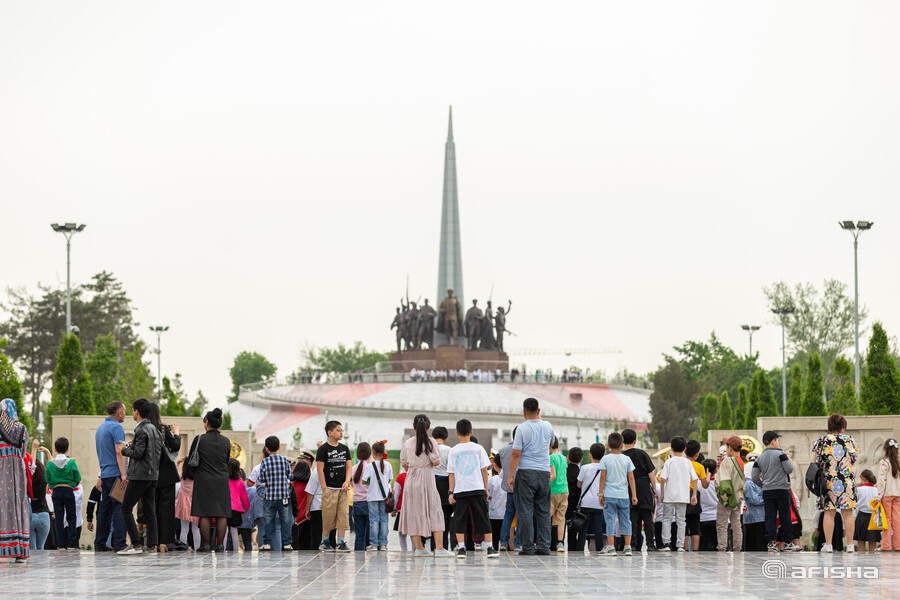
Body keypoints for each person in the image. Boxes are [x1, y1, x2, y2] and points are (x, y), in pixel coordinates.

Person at [398, 414, 454, 557]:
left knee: (414, 512)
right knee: (435, 511)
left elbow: (404, 463)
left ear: (413, 426)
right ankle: (440, 548)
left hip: (411, 479)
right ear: (429, 427)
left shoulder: (407, 443)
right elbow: (436, 461)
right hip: (427, 479)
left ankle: (419, 548)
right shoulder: (431, 442)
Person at [507, 397, 555, 555]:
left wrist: (510, 476)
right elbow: (552, 443)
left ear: (523, 412)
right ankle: (544, 546)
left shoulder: (522, 428)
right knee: (543, 511)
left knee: (525, 511)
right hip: (544, 473)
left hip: (526, 473)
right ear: (539, 411)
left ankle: (527, 547)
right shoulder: (548, 426)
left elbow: (515, 454)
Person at [447, 419, 498, 558]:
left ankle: (462, 548)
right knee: (483, 518)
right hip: (477, 488)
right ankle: (490, 548)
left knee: (459, 519)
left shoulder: (453, 450)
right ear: (471, 432)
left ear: (457, 433)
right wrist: (486, 489)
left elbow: (451, 474)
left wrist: (451, 492)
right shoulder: (478, 448)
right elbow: (484, 471)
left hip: (460, 490)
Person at [117, 398, 162, 554]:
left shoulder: (141, 430)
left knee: (125, 508)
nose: (132, 413)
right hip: (153, 475)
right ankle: (151, 545)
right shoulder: (154, 429)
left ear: (136, 411)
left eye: (132, 410)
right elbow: (152, 451)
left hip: (140, 475)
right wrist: (133, 445)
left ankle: (136, 545)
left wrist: (124, 450)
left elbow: (138, 453)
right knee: (150, 510)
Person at [811, 414, 858, 553]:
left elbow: (816, 461)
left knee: (829, 513)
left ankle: (829, 544)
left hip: (829, 482)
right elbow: (854, 459)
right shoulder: (849, 440)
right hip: (846, 481)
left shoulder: (822, 440)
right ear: (843, 427)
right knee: (848, 514)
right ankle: (850, 545)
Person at [189, 408, 231, 552]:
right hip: (222, 480)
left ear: (207, 422)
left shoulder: (199, 439)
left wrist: (199, 473)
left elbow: (192, 461)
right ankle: (220, 545)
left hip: (204, 479)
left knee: (204, 513)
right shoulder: (226, 441)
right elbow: (226, 461)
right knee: (222, 513)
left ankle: (206, 544)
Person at [751, 430, 798, 553]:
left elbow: (754, 476)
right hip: (782, 490)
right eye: (777, 440)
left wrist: (763, 485)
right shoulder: (781, 454)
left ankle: (771, 543)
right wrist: (789, 461)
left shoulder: (759, 458)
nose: (778, 442)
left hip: (768, 491)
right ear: (773, 441)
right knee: (785, 517)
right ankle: (787, 543)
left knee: (770, 517)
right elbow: (789, 469)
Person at [94, 400, 128, 552]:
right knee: (119, 508)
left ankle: (100, 543)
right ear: (119, 413)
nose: (125, 415)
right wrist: (124, 474)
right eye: (124, 412)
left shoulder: (101, 428)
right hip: (116, 474)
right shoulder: (116, 427)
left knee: (104, 509)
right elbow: (119, 452)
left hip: (105, 474)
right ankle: (120, 544)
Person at [596, 432, 637, 556]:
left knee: (610, 520)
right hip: (624, 496)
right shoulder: (627, 459)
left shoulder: (605, 459)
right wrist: (634, 495)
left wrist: (600, 493)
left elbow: (602, 477)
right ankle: (628, 547)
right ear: (622, 445)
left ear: (608, 445)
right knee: (626, 520)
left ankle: (611, 547)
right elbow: (631, 478)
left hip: (609, 495)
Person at [148, 402, 181, 551]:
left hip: (150, 475)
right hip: (167, 474)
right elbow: (175, 446)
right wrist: (176, 433)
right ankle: (165, 542)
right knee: (166, 510)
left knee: (152, 508)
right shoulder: (163, 428)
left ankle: (153, 541)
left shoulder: (144, 429)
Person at [0, 398, 30, 561]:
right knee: (17, 503)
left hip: (2, 472)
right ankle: (19, 551)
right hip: (17, 474)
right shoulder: (21, 429)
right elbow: (24, 452)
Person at [315, 420, 352, 552]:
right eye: (339, 430)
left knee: (343, 515)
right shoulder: (323, 449)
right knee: (328, 516)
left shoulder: (345, 449)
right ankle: (324, 541)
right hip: (329, 489)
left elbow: (348, 467)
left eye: (342, 430)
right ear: (330, 432)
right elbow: (320, 469)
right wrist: (324, 487)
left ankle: (340, 542)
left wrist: (347, 481)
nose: (341, 433)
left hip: (343, 490)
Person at [658, 436, 698, 552]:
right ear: (684, 449)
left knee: (667, 519)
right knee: (681, 520)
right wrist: (694, 494)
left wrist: (662, 494)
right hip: (683, 495)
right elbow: (695, 479)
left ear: (671, 448)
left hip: (669, 495)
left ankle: (666, 544)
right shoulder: (688, 463)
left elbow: (662, 479)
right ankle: (680, 545)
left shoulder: (669, 462)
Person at [621, 430, 655, 552]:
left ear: (622, 441)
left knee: (632, 518)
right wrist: (654, 489)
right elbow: (651, 473)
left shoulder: (622, 456)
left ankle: (633, 544)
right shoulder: (642, 453)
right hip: (644, 486)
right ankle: (650, 544)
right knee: (647, 518)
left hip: (629, 488)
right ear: (635, 440)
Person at [258, 435, 293, 552]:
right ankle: (287, 544)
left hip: (269, 496)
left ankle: (267, 543)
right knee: (286, 520)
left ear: (266, 449)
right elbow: (291, 476)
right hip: (284, 496)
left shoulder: (264, 462)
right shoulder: (284, 461)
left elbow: (261, 479)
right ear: (279, 447)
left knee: (269, 520)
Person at [46, 436, 82, 551]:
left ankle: (61, 544)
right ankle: (71, 543)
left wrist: (53, 485)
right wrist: (72, 484)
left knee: (59, 518)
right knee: (72, 516)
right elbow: (77, 477)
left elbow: (48, 479)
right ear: (67, 449)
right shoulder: (71, 462)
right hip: (68, 490)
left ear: (55, 449)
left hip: (56, 491)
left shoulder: (50, 464)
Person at [715, 436, 745, 552]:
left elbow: (722, 482)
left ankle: (722, 548)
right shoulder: (741, 462)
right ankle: (737, 548)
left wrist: (722, 496)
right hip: (737, 495)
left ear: (730, 448)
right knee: (736, 524)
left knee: (722, 525)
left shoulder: (727, 461)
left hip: (726, 496)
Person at [575, 443, 606, 552]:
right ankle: (599, 549)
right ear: (603, 455)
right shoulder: (605, 469)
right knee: (598, 529)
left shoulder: (584, 468)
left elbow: (579, 484)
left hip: (586, 503)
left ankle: (580, 550)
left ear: (590, 454)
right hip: (599, 503)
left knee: (583, 529)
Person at [364, 441, 393, 551]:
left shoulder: (370, 466)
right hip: (384, 497)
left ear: (373, 452)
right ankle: (383, 544)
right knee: (384, 520)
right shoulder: (388, 465)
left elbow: (363, 481)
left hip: (372, 496)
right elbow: (389, 479)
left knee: (374, 520)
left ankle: (374, 544)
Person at [683, 439, 709, 551]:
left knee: (683, 523)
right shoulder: (699, 467)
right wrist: (708, 477)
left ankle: (684, 549)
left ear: (685, 451)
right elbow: (705, 485)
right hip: (694, 495)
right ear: (697, 454)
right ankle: (695, 551)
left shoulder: (681, 463)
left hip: (682, 494)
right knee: (695, 525)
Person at [431, 426, 454, 549]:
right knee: (445, 519)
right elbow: (452, 471)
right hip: (445, 484)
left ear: (433, 437)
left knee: (432, 517)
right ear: (446, 438)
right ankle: (443, 546)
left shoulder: (429, 449)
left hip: (431, 483)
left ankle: (433, 546)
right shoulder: (449, 450)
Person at [876, 438, 900, 551]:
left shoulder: (884, 462)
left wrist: (878, 496)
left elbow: (882, 480)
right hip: (898, 494)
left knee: (886, 520)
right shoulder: (898, 462)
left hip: (887, 494)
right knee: (897, 520)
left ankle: (886, 545)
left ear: (885, 449)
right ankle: (897, 545)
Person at [497, 427, 518, 551]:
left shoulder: (504, 450)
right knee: (522, 514)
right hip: (522, 486)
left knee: (508, 514)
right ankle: (519, 542)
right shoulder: (523, 449)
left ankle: (504, 542)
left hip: (509, 487)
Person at [548, 436, 569, 552]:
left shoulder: (551, 458)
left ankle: (545, 542)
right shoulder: (563, 458)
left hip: (553, 490)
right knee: (561, 518)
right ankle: (560, 543)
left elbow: (553, 475)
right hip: (564, 490)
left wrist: (545, 483)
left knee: (547, 517)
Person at [350, 442, 371, 551]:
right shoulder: (370, 468)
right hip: (368, 503)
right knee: (370, 534)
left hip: (356, 503)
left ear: (357, 454)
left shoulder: (353, 469)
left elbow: (352, 485)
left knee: (359, 535)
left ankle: (358, 558)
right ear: (369, 454)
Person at [226, 458, 250, 551]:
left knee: (224, 531)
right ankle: (235, 550)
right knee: (234, 531)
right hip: (235, 509)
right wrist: (247, 509)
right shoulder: (239, 481)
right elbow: (244, 497)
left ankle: (223, 550)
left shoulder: (224, 480)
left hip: (224, 508)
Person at [175, 458, 200, 550]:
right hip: (195, 505)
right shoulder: (198, 477)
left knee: (184, 529)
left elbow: (173, 475)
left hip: (184, 505)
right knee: (196, 530)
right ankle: (197, 549)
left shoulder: (182, 477)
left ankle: (183, 548)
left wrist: (177, 463)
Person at [854, 469, 880, 552]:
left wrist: (857, 487)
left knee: (861, 546)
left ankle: (861, 564)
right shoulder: (877, 490)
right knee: (873, 547)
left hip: (862, 517)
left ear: (862, 477)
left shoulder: (859, 490)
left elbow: (854, 501)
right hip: (874, 517)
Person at [742, 465, 766, 551]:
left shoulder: (757, 482)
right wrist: (767, 497)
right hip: (754, 518)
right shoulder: (749, 484)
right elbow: (755, 500)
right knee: (755, 546)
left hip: (761, 518)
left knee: (761, 545)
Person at [29, 459, 51, 550]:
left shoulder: (28, 483)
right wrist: (47, 452)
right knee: (41, 547)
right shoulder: (45, 481)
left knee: (32, 549)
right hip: (44, 516)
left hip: (31, 516)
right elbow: (51, 466)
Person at [565, 446, 583, 551]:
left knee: (560, 523)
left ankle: (559, 544)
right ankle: (572, 548)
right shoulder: (580, 472)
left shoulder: (564, 471)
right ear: (581, 460)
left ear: (568, 457)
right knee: (573, 528)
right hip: (576, 503)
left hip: (564, 500)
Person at [698, 459, 718, 551]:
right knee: (717, 546)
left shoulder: (697, 484)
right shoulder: (719, 483)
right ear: (716, 470)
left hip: (702, 518)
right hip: (716, 518)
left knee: (702, 547)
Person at [488, 454, 506, 551]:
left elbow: (488, 496)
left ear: (495, 465)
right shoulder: (510, 478)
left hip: (494, 513)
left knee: (494, 536)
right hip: (506, 513)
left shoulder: (493, 480)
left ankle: (494, 549)